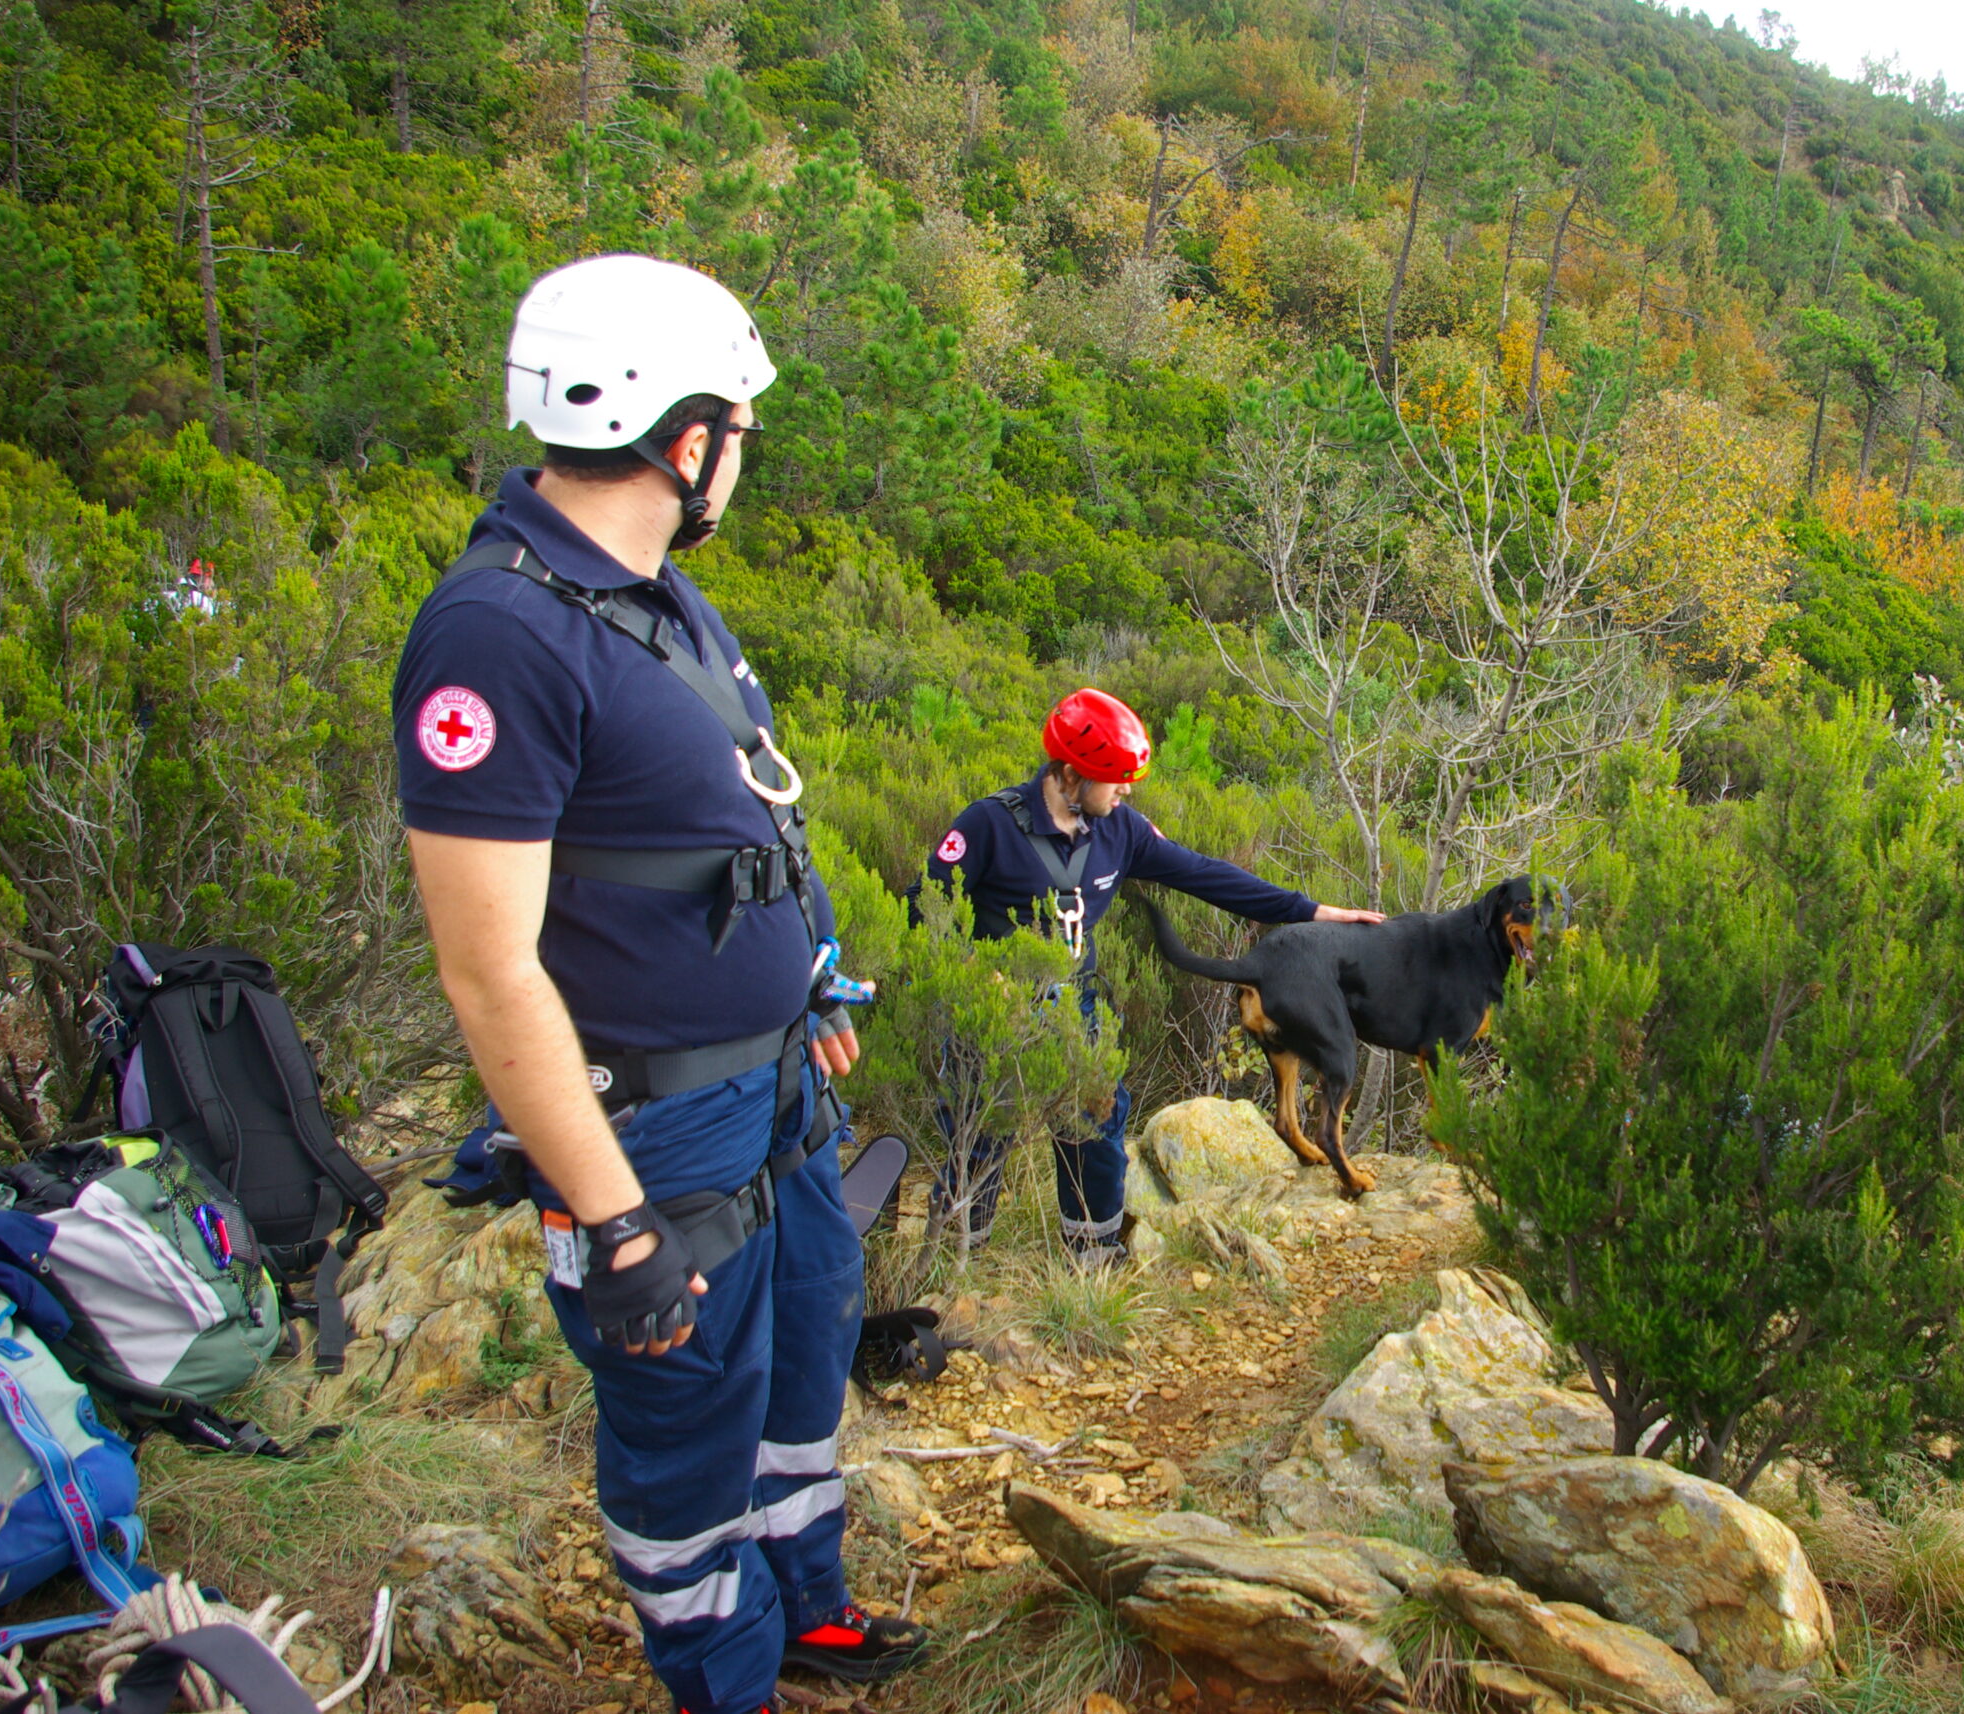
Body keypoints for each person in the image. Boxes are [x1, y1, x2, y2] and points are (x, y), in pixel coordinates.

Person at [392, 254, 924, 1714]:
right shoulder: (498, 635)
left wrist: (804, 985)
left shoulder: (655, 595)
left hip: (768, 1087)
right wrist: (611, 1218)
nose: (742, 456)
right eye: (739, 430)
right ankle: (724, 1677)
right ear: (684, 436)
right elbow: (489, 966)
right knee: (686, 1419)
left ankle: (806, 1608)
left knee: (806, 1347)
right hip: (650, 1134)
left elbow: (728, 824)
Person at [922, 688, 1383, 1263]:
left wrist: (1314, 912)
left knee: (1097, 1117)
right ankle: (956, 1260)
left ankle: (1091, 1256)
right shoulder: (988, 824)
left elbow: (1208, 876)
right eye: (1113, 779)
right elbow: (926, 909)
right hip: (991, 1009)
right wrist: (973, 974)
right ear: (1070, 776)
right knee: (983, 1129)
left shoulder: (1122, 830)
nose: (1125, 791)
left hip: (1073, 1008)